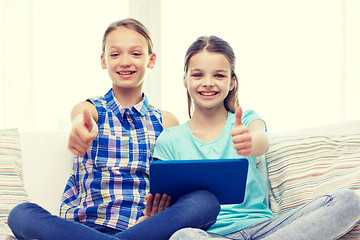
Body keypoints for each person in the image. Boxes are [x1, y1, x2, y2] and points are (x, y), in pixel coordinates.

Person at [7, 18, 220, 240]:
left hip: (144, 228)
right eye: (115, 54)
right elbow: (81, 116)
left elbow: (173, 184)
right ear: (103, 60)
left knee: (206, 201)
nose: (125, 62)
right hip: (84, 229)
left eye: (136, 54)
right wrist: (81, 127)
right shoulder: (92, 109)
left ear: (151, 59)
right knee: (20, 214)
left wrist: (159, 212)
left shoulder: (166, 121)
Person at [152, 35, 360, 240]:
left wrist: (251, 141)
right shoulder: (169, 139)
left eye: (219, 75)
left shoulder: (247, 120)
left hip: (265, 228)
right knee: (184, 236)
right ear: (185, 80)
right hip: (208, 234)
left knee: (348, 200)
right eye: (198, 75)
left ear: (232, 82)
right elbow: (168, 199)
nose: (208, 83)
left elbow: (261, 141)